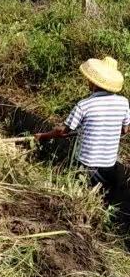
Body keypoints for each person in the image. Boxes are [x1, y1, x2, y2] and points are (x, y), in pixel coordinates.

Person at [35, 56, 129, 188]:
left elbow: (63, 131)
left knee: (79, 191)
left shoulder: (85, 105)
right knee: (102, 200)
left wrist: (43, 136)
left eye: (90, 79)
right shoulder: (124, 103)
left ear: (95, 82)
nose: (88, 81)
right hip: (109, 165)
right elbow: (125, 130)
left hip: (86, 165)